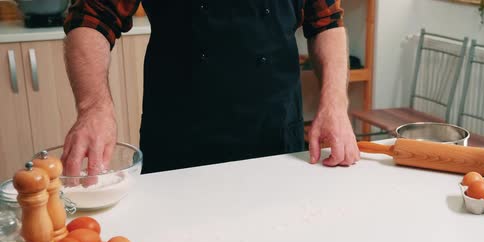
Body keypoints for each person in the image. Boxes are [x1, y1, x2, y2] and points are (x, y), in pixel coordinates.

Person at [60, 0, 359, 175]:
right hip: (179, 146)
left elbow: (326, 23)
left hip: (275, 138)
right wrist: (93, 108)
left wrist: (335, 105)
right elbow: (92, 16)